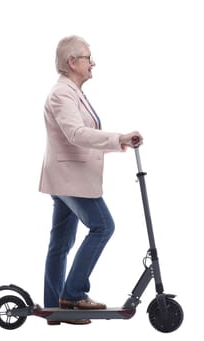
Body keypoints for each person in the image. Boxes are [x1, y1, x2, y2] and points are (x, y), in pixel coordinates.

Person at [39, 35, 143, 325]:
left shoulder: (72, 92)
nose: (92, 62)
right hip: (70, 179)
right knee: (103, 226)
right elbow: (76, 134)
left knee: (60, 243)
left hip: (64, 178)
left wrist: (117, 140)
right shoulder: (62, 94)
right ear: (72, 62)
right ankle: (72, 294)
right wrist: (118, 138)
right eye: (87, 57)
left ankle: (53, 307)